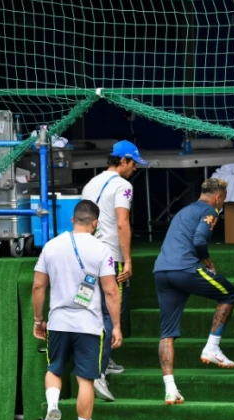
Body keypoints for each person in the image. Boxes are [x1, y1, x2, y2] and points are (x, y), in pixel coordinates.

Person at [32, 200, 122, 420]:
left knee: (54, 369)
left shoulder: (51, 246)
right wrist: (117, 326)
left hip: (59, 321)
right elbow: (111, 291)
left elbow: (39, 285)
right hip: (89, 325)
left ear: (72, 220)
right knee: (86, 379)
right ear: (95, 224)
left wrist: (38, 319)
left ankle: (53, 404)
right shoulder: (102, 249)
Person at [153, 178, 234, 405]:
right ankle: (212, 347)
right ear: (218, 197)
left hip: (161, 271)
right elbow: (200, 240)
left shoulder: (184, 211)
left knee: (167, 332)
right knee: (229, 294)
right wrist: (208, 262)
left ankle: (170, 389)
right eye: (223, 200)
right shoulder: (211, 211)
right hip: (185, 268)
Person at [81, 140, 147, 401]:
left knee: (89, 308)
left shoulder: (90, 183)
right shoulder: (123, 186)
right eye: (133, 163)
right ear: (123, 161)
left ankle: (102, 362)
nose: (134, 169)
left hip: (86, 255)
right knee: (111, 313)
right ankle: (97, 371)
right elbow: (122, 224)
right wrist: (128, 260)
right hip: (110, 258)